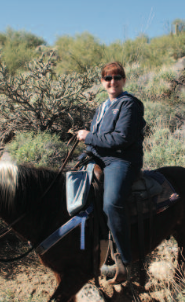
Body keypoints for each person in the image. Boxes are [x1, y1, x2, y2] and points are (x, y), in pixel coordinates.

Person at [77, 61, 146, 284]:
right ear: (102, 82)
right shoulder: (102, 107)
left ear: (124, 80)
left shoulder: (130, 104)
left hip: (121, 160)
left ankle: (125, 262)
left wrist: (88, 137)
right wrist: (86, 153)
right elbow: (98, 140)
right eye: (108, 78)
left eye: (117, 77)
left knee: (111, 203)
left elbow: (121, 139)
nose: (112, 82)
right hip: (99, 158)